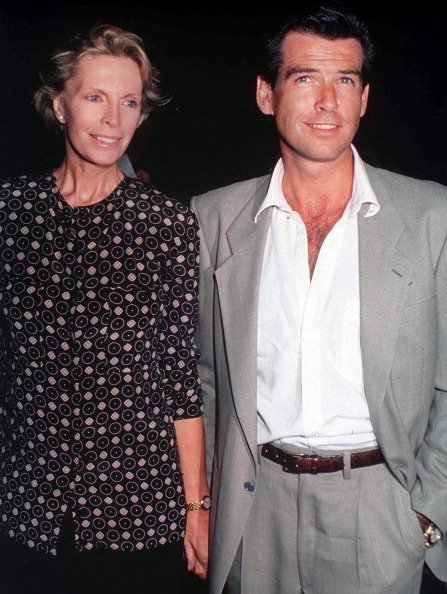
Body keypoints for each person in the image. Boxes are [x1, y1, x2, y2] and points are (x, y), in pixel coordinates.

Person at [190, 4, 447, 593]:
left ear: (364, 98)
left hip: (383, 510)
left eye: (346, 80)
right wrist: (203, 506)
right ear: (266, 94)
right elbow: (204, 380)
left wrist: (428, 513)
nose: (328, 102)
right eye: (306, 78)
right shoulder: (214, 219)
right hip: (255, 511)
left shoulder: (432, 215)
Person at [0, 24, 209, 594]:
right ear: (59, 104)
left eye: (130, 102)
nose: (113, 119)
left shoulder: (165, 225)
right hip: (27, 509)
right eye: (95, 97)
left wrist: (198, 506)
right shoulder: (12, 213)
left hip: (137, 514)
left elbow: (179, 378)